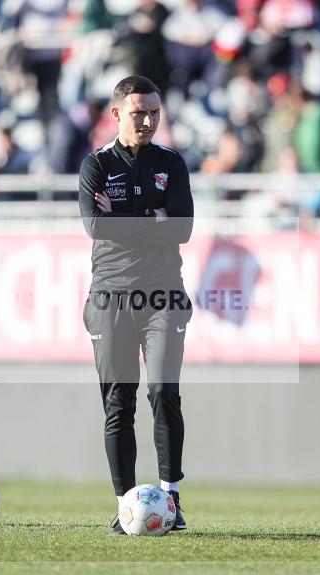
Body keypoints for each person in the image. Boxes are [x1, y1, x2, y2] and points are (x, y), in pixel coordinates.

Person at [78, 75, 194, 535]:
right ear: (116, 115)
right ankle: (125, 504)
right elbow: (95, 228)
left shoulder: (172, 163)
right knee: (118, 403)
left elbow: (182, 229)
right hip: (110, 297)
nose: (147, 121)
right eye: (137, 112)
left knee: (163, 392)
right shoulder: (96, 165)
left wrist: (124, 217)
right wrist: (153, 217)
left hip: (164, 294)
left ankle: (171, 497)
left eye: (154, 112)